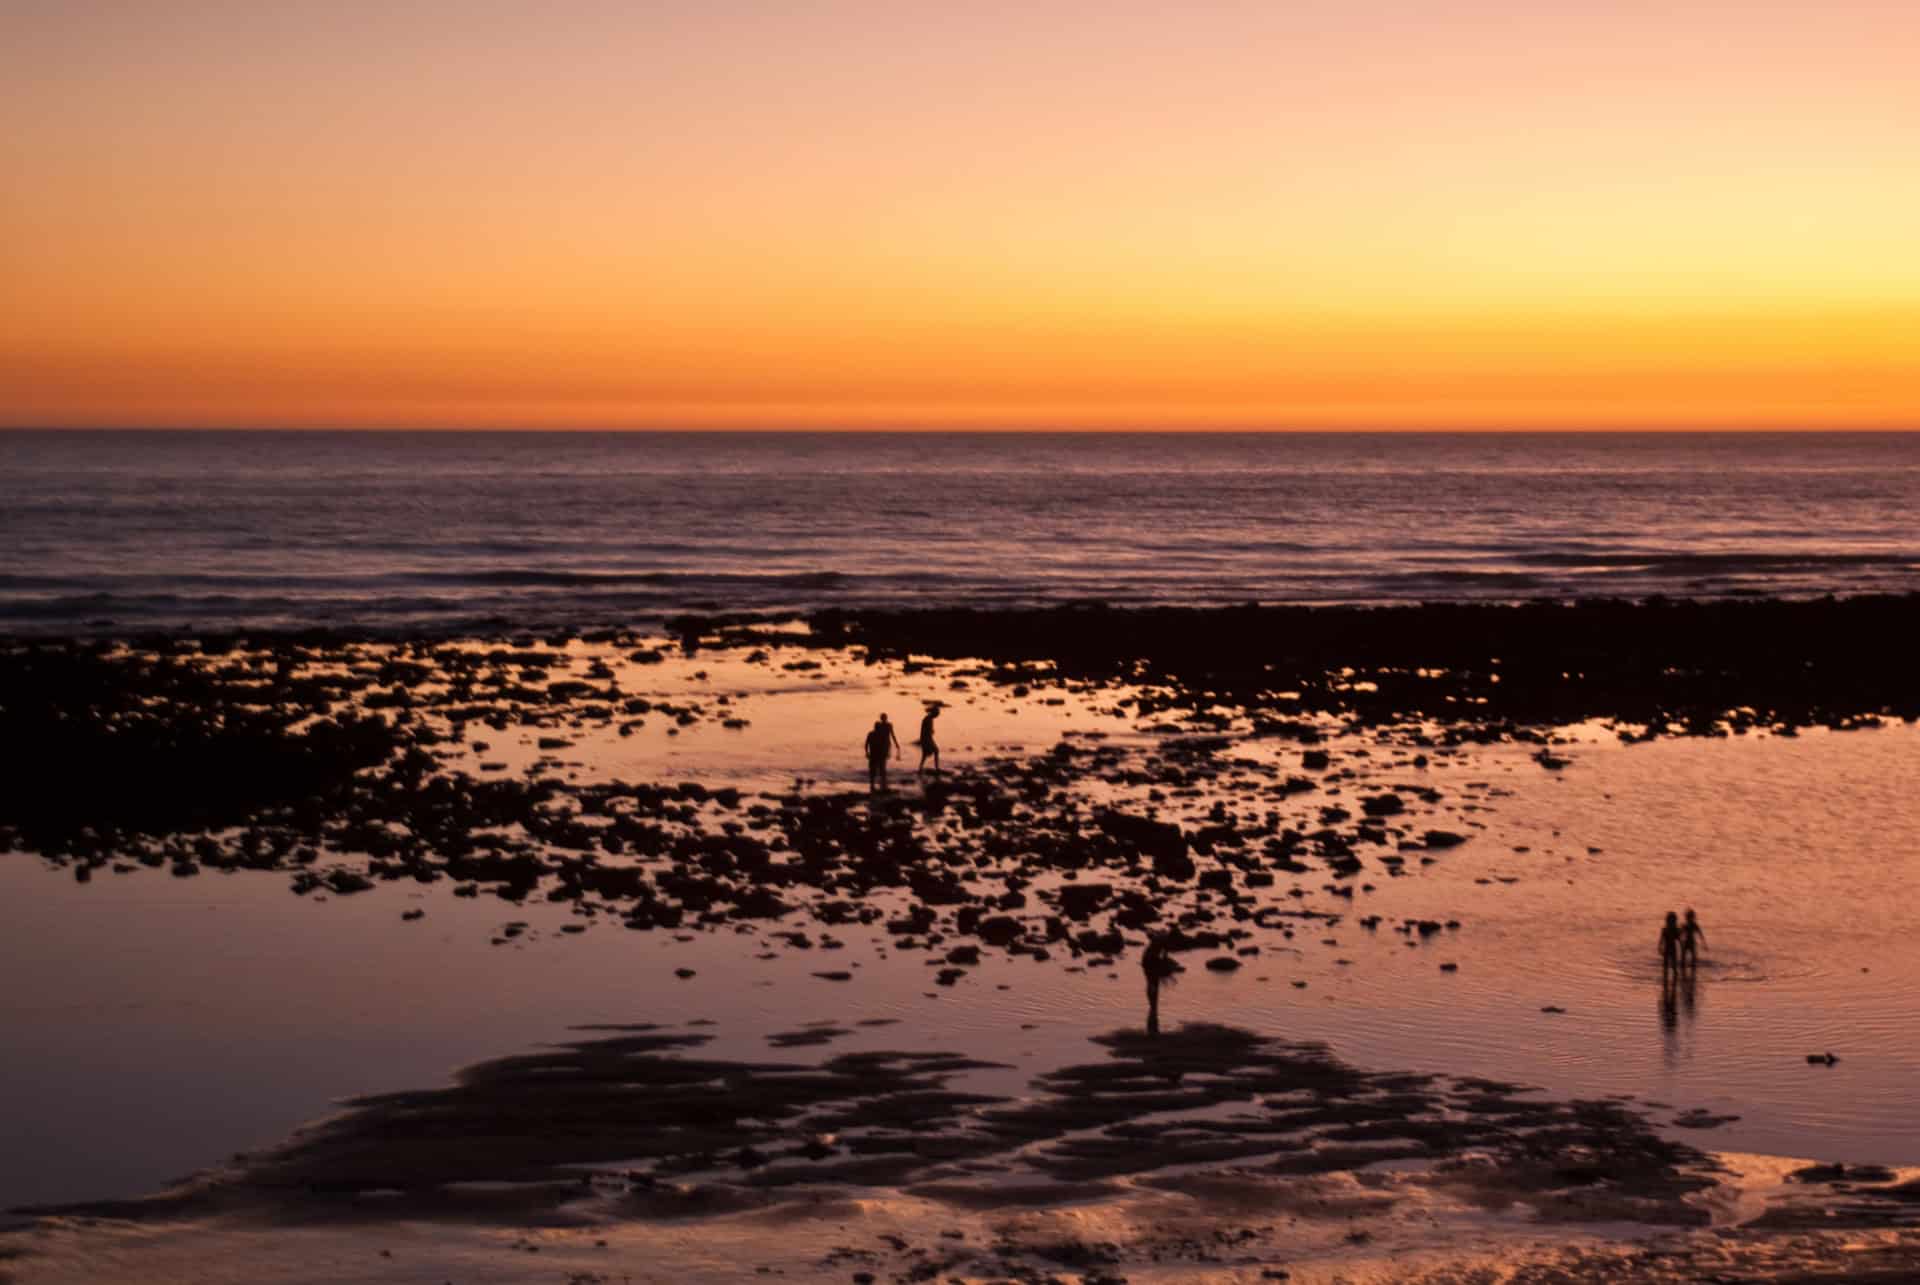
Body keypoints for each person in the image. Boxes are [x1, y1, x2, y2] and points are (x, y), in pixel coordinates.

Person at [1141, 933, 1179, 1037]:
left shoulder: (1160, 938)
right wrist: (1167, 964)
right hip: (1150, 960)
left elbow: (1154, 944)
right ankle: (1153, 1010)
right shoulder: (1164, 940)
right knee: (1153, 983)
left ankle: (1153, 1009)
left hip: (1146, 959)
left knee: (1151, 982)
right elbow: (1164, 955)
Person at [864, 713, 902, 792]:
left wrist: (896, 744)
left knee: (877, 768)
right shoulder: (882, 727)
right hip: (882, 748)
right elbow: (892, 735)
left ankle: (878, 784)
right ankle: (882, 784)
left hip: (883, 747)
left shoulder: (880, 728)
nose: (883, 719)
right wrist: (896, 745)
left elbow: (892, 735)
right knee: (881, 767)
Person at [916, 704, 942, 775]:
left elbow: (926, 730)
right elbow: (926, 730)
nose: (937, 715)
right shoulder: (928, 719)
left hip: (927, 738)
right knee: (936, 751)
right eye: (937, 714)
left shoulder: (929, 718)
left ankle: (920, 768)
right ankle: (936, 768)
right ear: (933, 713)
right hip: (927, 739)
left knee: (925, 754)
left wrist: (931, 732)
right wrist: (930, 732)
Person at [1658, 910, 1682, 975]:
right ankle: (1665, 980)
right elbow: (1661, 940)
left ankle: (1675, 978)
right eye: (1670, 921)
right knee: (1665, 966)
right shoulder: (1664, 929)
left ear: (1675, 921)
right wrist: (1659, 948)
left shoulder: (1676, 930)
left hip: (1673, 949)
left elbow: (1679, 940)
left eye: (1673, 921)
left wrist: (1682, 948)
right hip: (1666, 949)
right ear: (1667, 921)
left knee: (1674, 967)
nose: (1671, 923)